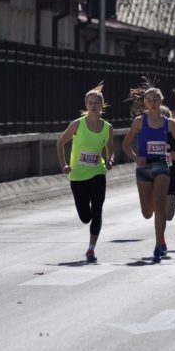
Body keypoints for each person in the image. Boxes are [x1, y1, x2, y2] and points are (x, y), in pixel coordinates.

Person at [122, 87, 175, 263]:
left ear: (161, 101)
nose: (153, 102)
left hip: (161, 165)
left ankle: (158, 246)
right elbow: (126, 145)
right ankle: (159, 239)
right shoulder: (139, 122)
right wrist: (135, 158)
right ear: (145, 103)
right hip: (144, 167)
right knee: (147, 212)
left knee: (159, 203)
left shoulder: (169, 123)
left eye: (156, 98)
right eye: (149, 99)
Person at [55, 84, 114, 263]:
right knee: (85, 216)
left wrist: (110, 160)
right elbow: (60, 143)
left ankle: (91, 249)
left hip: (97, 172)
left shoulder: (107, 127)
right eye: (90, 103)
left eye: (97, 103)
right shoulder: (77, 125)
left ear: (102, 105)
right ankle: (86, 220)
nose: (93, 106)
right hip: (78, 175)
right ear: (86, 105)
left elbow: (110, 150)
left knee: (97, 210)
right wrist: (64, 165)